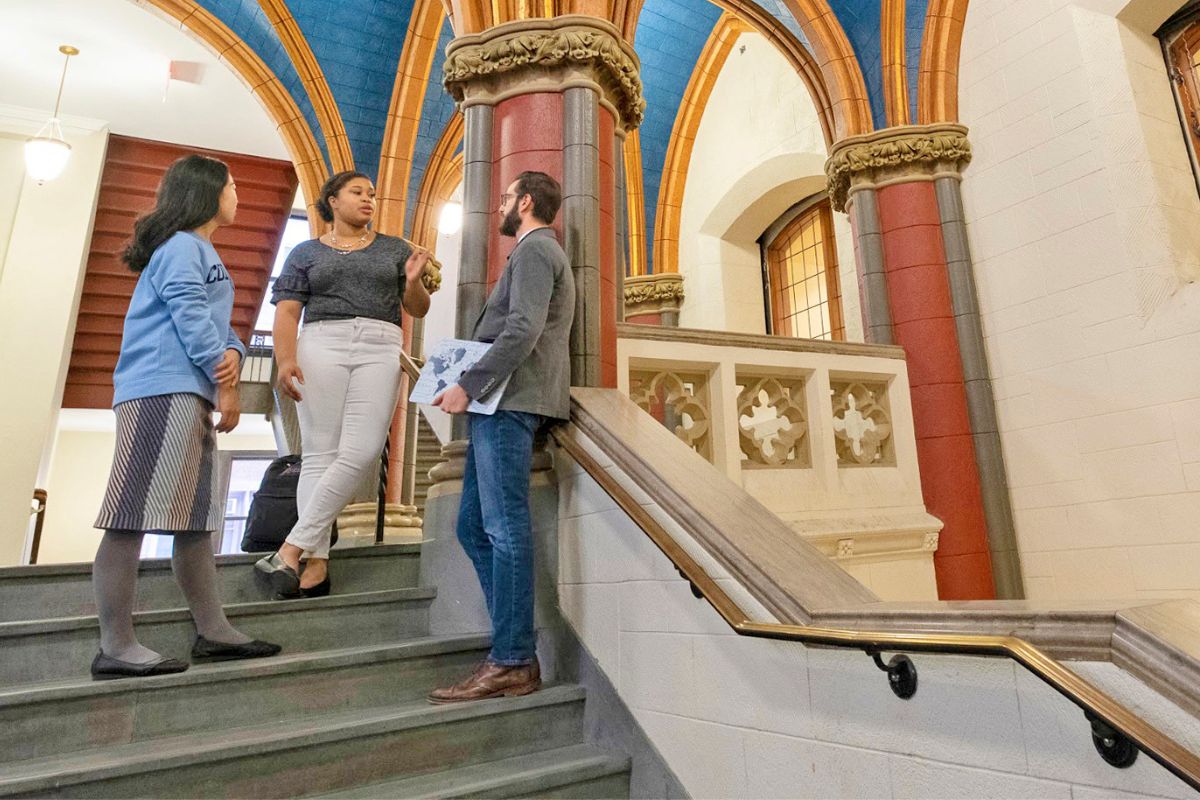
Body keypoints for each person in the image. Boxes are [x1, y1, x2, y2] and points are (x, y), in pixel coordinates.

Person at [91, 154, 281, 680]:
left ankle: (213, 629)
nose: (237, 193)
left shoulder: (202, 250)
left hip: (186, 391)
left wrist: (234, 363)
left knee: (195, 521)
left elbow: (226, 332)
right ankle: (115, 644)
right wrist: (227, 386)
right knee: (130, 515)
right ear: (207, 192)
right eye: (232, 185)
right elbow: (191, 317)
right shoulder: (180, 248)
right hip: (160, 389)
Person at [428, 171, 575, 703]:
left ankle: (513, 659)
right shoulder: (531, 252)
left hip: (510, 401)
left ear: (527, 202)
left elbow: (522, 329)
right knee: (472, 527)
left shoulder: (536, 251)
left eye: (507, 197)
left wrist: (468, 385)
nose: (501, 207)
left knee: (504, 527)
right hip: (499, 402)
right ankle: (510, 642)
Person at [254, 171, 432, 598]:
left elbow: (418, 308)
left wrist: (412, 280)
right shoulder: (306, 251)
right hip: (322, 342)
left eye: (372, 193)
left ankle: (290, 548)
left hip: (380, 342)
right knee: (319, 455)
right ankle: (315, 563)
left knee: (362, 449)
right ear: (332, 200)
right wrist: (286, 359)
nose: (369, 199)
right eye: (358, 192)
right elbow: (286, 311)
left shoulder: (393, 248)